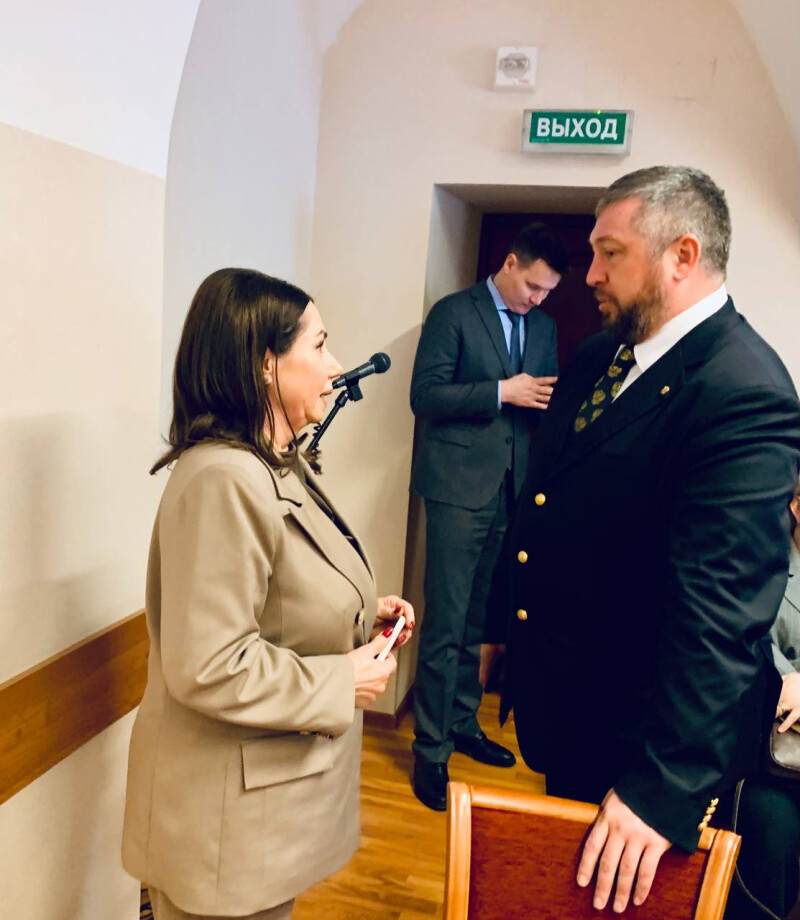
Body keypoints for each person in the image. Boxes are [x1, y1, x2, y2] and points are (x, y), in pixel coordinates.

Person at [483, 166, 800, 912]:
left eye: (610, 253)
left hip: (644, 744)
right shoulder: (601, 356)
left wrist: (661, 788)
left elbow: (720, 615)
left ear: (682, 255)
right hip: (571, 710)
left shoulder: (743, 388)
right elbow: (543, 498)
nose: (590, 273)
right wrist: (503, 624)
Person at [122, 268, 414, 920]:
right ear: (264, 364)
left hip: (260, 813)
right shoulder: (223, 479)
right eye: (319, 345)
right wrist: (342, 678)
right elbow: (211, 662)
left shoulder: (269, 462)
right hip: (220, 825)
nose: (334, 365)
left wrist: (359, 614)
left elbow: (275, 593)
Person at [409, 222, 568, 810]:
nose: (538, 300)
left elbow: (543, 403)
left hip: (511, 488)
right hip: (455, 487)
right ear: (508, 264)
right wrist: (502, 391)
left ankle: (462, 723)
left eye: (547, 292)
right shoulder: (453, 313)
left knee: (479, 616)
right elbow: (424, 395)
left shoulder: (545, 328)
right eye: (532, 287)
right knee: (446, 621)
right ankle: (430, 750)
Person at [725, 476, 800, 920]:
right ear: (796, 507)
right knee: (768, 823)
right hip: (774, 753)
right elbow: (750, 642)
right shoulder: (764, 565)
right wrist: (786, 679)